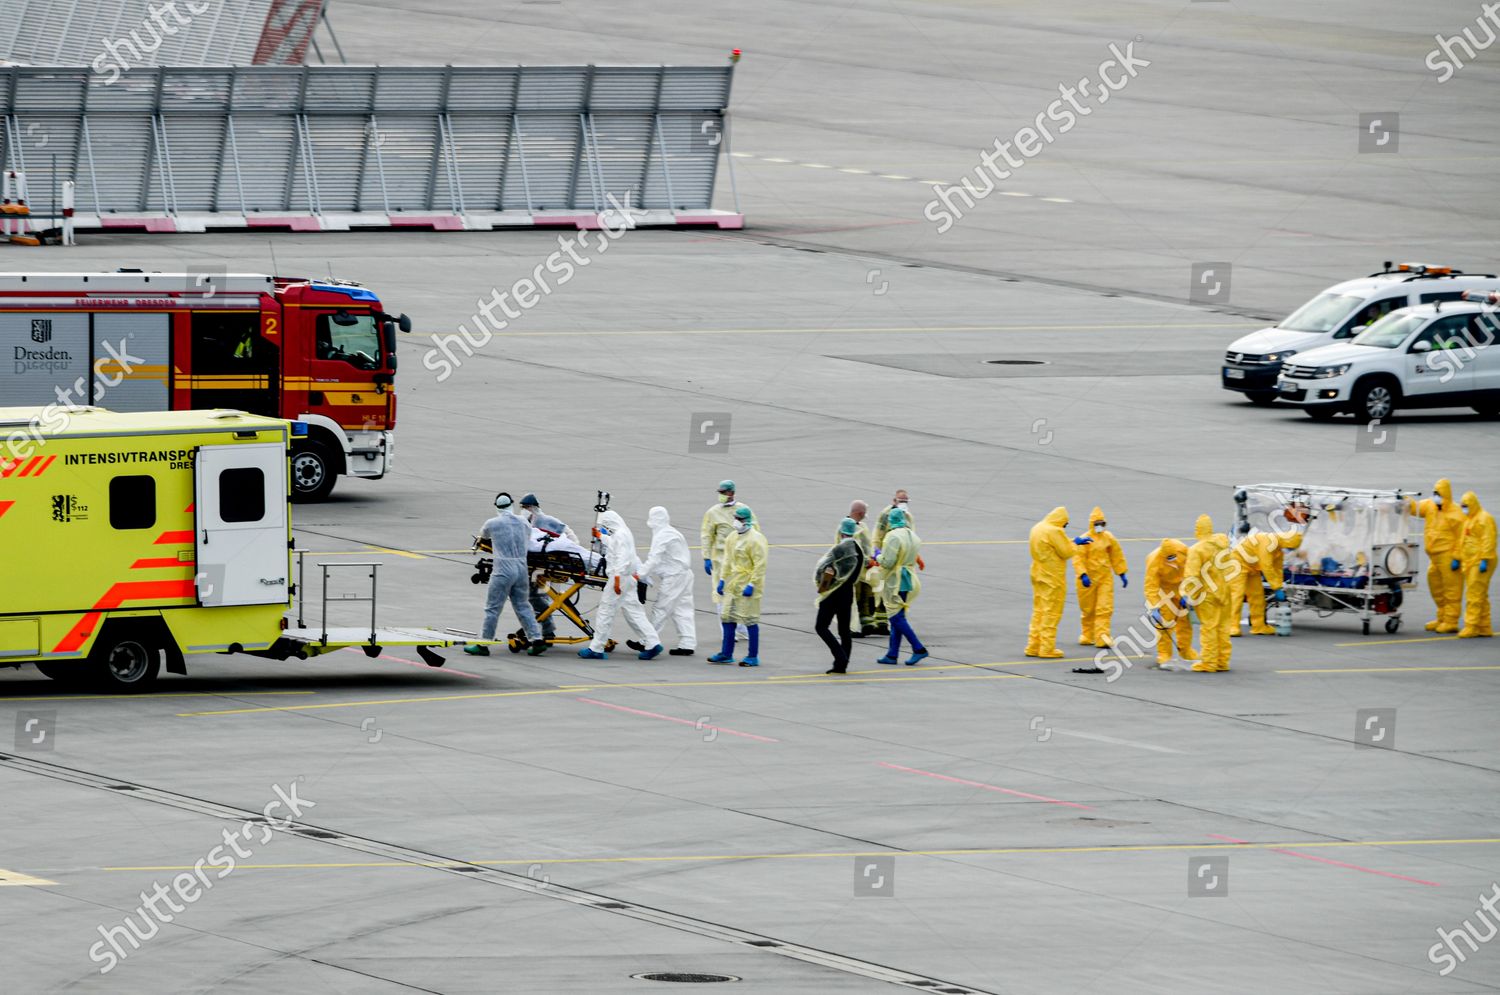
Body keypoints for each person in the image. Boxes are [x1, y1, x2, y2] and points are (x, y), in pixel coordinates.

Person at [466, 492, 547, 656]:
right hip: (521, 568)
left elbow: (484, 536)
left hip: (503, 568)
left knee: (492, 608)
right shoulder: (524, 522)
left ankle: (483, 644)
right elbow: (528, 537)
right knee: (523, 605)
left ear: (496, 506)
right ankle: (536, 639)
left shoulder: (492, 523)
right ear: (511, 504)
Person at [579, 510, 664, 660]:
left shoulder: (620, 535)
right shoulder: (623, 532)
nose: (607, 528)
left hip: (619, 578)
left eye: (606, 526)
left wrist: (617, 579)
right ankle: (653, 642)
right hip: (628, 579)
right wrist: (601, 536)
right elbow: (614, 545)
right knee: (635, 612)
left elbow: (622, 558)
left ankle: (596, 648)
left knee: (606, 611)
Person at [1025, 506, 1092, 658]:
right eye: (1065, 524)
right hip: (1052, 576)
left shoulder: (1038, 527)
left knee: (1039, 611)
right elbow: (1066, 552)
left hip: (1037, 573)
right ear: (1061, 521)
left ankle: (1033, 646)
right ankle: (1047, 648)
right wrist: (1075, 544)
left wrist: (1074, 540)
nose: (1064, 527)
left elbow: (1052, 544)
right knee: (1052, 611)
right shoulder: (1055, 531)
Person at [630, 506, 696, 656]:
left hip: (675, 577)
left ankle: (647, 641)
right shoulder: (671, 532)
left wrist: (639, 575)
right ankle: (688, 643)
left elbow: (654, 559)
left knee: (661, 608)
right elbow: (664, 560)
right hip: (685, 574)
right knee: (682, 609)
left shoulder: (662, 535)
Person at [708, 505, 767, 667]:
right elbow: (727, 560)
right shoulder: (732, 537)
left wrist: (752, 584)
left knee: (750, 619)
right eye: (736, 518)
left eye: (740, 519)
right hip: (733, 582)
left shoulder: (756, 539)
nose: (736, 522)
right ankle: (726, 653)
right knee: (727, 616)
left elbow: (760, 565)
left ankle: (752, 656)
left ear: (747, 521)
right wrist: (722, 579)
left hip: (748, 582)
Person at [876, 507, 927, 665]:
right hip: (907, 578)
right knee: (899, 616)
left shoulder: (893, 536)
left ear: (891, 521)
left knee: (895, 617)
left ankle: (918, 648)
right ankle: (892, 654)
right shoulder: (912, 535)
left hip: (895, 580)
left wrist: (877, 556)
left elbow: (888, 562)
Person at [1413, 479, 1466, 633]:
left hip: (1448, 557)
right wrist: (1403, 500)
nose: (1435, 496)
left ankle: (1451, 621)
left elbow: (1462, 537)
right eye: (1434, 493)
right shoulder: (1430, 506)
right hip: (1434, 557)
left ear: (1445, 495)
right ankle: (1442, 616)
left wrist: (1457, 557)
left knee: (1451, 589)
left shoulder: (1455, 514)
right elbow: (1415, 508)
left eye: (1438, 494)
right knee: (1436, 587)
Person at [1228, 528, 1300, 636]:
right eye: (1290, 547)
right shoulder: (1267, 544)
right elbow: (1266, 567)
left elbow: (1278, 569)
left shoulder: (1278, 549)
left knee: (1257, 597)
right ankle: (1232, 627)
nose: (1290, 550)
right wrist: (1276, 588)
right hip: (1238, 563)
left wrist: (1279, 586)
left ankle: (1259, 626)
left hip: (1252, 568)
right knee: (1237, 595)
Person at [1184, 514, 1233, 672]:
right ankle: (1222, 661)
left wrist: (1187, 595)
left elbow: (1192, 575)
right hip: (1225, 591)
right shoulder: (1222, 545)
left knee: (1209, 627)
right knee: (1223, 627)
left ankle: (1209, 662)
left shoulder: (1196, 550)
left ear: (1198, 529)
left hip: (1207, 595)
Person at [815, 518, 865, 673]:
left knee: (821, 626)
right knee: (844, 630)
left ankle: (839, 656)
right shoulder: (858, 550)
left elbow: (822, 568)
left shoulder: (839, 549)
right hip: (848, 593)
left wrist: (821, 582)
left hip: (833, 593)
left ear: (841, 531)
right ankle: (842, 665)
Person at [1074, 506, 1128, 648]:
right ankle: (1087, 634)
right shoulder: (1085, 539)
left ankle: (1102, 637)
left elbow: (1116, 555)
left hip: (1104, 578)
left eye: (1102, 524)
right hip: (1088, 580)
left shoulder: (1109, 538)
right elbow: (1077, 558)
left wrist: (1121, 572)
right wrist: (1083, 574)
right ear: (1091, 524)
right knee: (1088, 609)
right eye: (1097, 524)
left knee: (1104, 608)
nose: (1100, 527)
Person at [1144, 538, 1198, 668]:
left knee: (1185, 622)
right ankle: (1164, 654)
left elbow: (1192, 571)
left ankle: (1185, 650)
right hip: (1165, 591)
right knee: (1165, 623)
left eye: (1173, 556)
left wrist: (1187, 593)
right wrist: (1154, 607)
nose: (1171, 559)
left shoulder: (1184, 550)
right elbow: (1151, 586)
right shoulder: (1154, 561)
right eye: (1168, 558)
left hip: (1181, 587)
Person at [870, 489, 913, 635]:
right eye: (901, 501)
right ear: (894, 501)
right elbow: (877, 534)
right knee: (883, 589)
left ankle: (896, 620)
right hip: (887, 556)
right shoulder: (886, 515)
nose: (903, 504)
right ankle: (883, 621)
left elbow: (910, 536)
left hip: (900, 559)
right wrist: (876, 552)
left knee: (896, 591)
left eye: (906, 501)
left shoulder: (907, 516)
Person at [1456, 490, 1495, 638]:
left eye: (1466, 506)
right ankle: (1484, 626)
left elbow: (1488, 540)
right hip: (1471, 561)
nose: (1463, 508)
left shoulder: (1484, 519)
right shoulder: (1470, 518)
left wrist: (1484, 559)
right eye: (1462, 506)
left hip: (1480, 561)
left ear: (1472, 504)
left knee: (1473, 594)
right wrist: (1458, 557)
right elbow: (1464, 540)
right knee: (1480, 595)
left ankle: (1471, 626)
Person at [701, 481, 740, 612]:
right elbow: (707, 535)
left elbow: (754, 533)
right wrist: (706, 557)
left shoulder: (743, 510)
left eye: (724, 492)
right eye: (720, 493)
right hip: (720, 560)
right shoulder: (712, 512)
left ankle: (741, 631)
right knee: (721, 597)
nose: (721, 495)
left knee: (739, 597)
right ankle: (726, 631)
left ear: (732, 493)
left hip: (740, 560)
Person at [847, 500, 877, 637]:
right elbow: (850, 549)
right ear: (859, 512)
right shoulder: (847, 526)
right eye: (864, 514)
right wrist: (866, 561)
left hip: (864, 570)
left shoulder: (862, 526)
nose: (865, 516)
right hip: (852, 570)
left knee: (867, 595)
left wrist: (872, 558)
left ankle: (867, 624)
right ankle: (850, 628)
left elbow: (867, 545)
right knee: (854, 598)